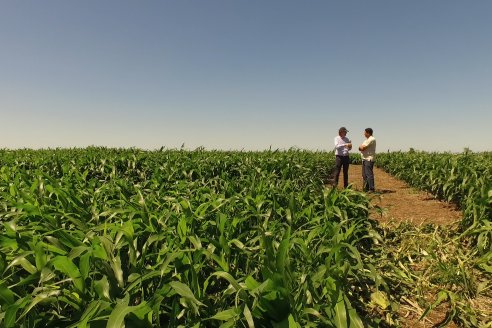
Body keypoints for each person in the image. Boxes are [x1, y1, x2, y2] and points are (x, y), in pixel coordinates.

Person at [358, 128, 377, 192]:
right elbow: (360, 147)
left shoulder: (371, 139)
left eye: (364, 132)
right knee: (364, 175)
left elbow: (362, 148)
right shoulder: (366, 140)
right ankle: (366, 188)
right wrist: (360, 147)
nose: (364, 133)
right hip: (364, 159)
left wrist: (361, 147)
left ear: (368, 133)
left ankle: (371, 189)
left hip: (369, 159)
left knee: (369, 174)